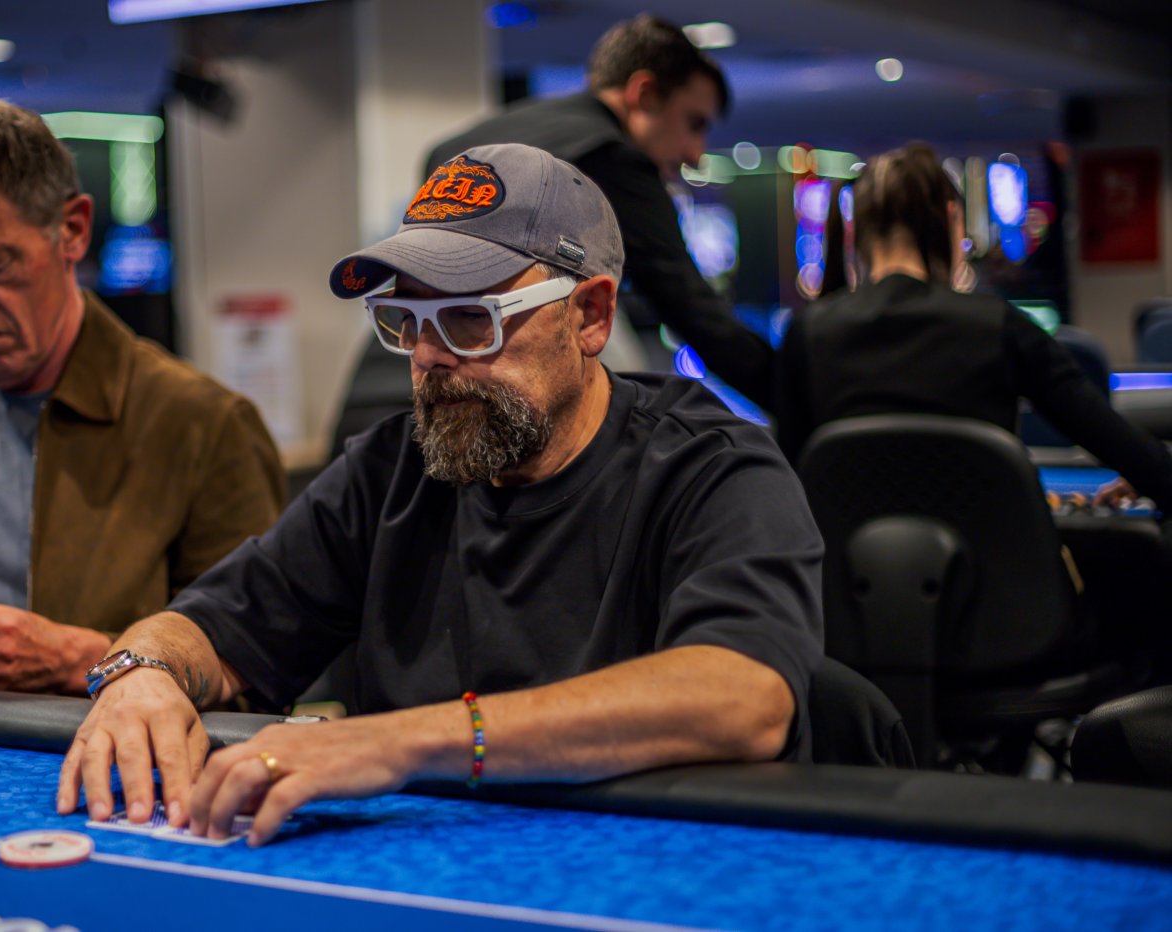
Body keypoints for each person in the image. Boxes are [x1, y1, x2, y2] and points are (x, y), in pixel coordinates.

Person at [57, 143, 823, 846]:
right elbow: (214, 629)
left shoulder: (712, 468)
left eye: (468, 319)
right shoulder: (390, 470)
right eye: (407, 320)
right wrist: (140, 673)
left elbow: (742, 695)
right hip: (431, 868)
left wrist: (399, 742)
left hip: (656, 870)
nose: (427, 357)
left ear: (589, 315)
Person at [0, 100, 286, 694]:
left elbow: (259, 674)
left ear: (72, 230)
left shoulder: (205, 427)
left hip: (115, 751)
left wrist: (86, 661)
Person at [773, 142, 1172, 518]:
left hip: (842, 566)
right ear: (952, 219)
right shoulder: (998, 325)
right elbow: (1113, 439)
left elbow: (787, 481)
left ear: (854, 232)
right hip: (995, 567)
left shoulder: (808, 333)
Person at [425, 14, 774, 408]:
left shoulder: (454, 149)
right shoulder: (611, 158)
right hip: (505, 391)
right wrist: (795, 395)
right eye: (694, 124)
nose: (696, 154)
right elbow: (693, 311)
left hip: (416, 366)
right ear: (645, 93)